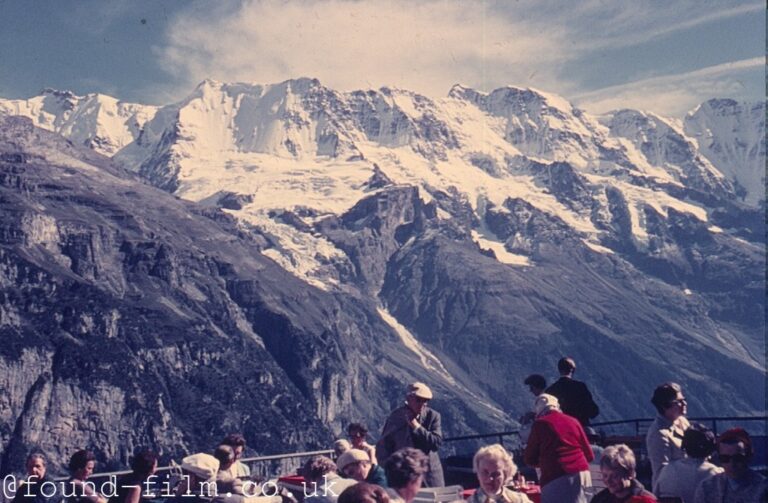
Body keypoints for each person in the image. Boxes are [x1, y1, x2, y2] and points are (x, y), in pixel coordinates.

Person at [523, 393, 593, 503]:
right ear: (557, 406)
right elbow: (589, 455)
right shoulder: (573, 421)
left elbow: (529, 458)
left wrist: (544, 462)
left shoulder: (540, 424)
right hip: (583, 475)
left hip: (555, 478)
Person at [377, 382, 444, 487]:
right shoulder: (395, 418)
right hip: (403, 476)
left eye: (425, 401)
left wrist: (416, 427)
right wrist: (392, 469)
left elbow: (436, 443)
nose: (422, 404)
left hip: (430, 475)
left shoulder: (433, 416)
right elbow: (383, 447)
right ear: (409, 399)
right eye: (419, 400)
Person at [693, 428, 768, 503]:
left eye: (738, 458)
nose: (731, 464)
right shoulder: (706, 488)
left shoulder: (763, 489)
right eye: (725, 458)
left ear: (748, 457)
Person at [654, 424, 722, 503]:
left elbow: (656, 497)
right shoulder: (717, 474)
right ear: (711, 448)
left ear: (684, 446)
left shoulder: (667, 470)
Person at [646, 382, 690, 489]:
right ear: (665, 406)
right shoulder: (658, 434)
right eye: (679, 401)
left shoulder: (682, 422)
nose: (684, 403)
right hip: (673, 491)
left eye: (684, 399)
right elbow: (662, 472)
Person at [467, 444, 532, 503]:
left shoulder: (520, 500)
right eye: (485, 472)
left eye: (496, 474)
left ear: (505, 475)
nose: (490, 479)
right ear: (477, 473)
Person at [544, 357, 599, 427]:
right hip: (580, 428)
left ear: (559, 370)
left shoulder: (550, 390)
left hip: (560, 430)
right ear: (572, 370)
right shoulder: (580, 387)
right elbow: (593, 411)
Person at [591, 444, 656, 503]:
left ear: (630, 473)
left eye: (614, 476)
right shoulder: (600, 499)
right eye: (605, 475)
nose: (608, 480)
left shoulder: (645, 500)